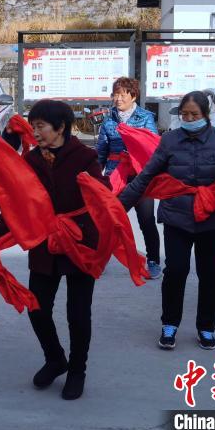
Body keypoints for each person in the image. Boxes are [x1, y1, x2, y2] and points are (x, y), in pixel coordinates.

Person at [0, 100, 109, 400]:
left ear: (61, 127)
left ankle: (77, 370)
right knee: (37, 307)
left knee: (78, 314)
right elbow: (17, 207)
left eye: (40, 126)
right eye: (33, 125)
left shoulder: (84, 157)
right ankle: (55, 359)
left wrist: (94, 187)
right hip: (45, 244)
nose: (35, 132)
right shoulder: (31, 162)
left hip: (79, 244)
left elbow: (105, 195)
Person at [119, 91, 215, 351]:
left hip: (213, 217)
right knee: (175, 271)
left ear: (205, 115)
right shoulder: (170, 140)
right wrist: (119, 205)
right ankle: (170, 324)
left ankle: (206, 327)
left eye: (194, 115)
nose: (189, 118)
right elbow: (147, 174)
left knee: (210, 275)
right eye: (185, 114)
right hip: (177, 216)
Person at [96, 77, 162, 279]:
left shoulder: (145, 117)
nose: (118, 99)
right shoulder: (108, 121)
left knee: (146, 220)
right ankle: (99, 259)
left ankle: (153, 261)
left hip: (140, 178)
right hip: (115, 176)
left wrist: (131, 140)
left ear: (133, 96)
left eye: (122, 94)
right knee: (109, 220)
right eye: (115, 94)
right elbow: (101, 152)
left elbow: (151, 145)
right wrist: (96, 176)